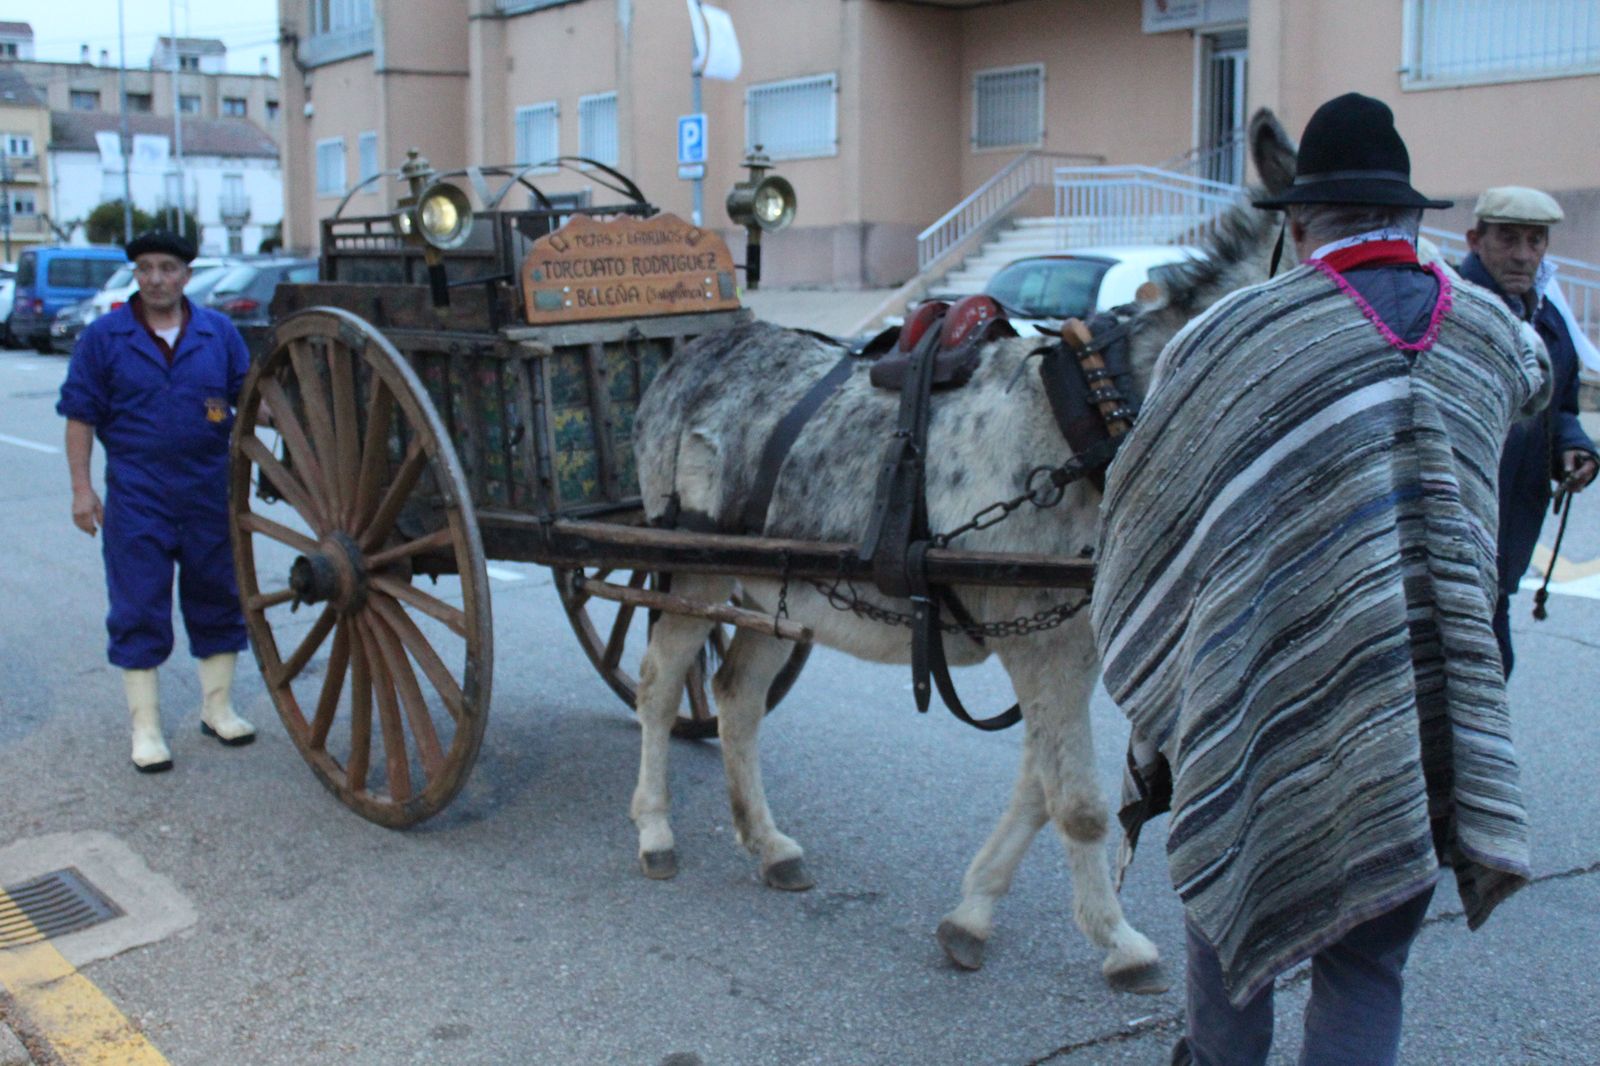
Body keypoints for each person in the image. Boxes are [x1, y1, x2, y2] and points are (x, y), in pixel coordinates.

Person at [1090, 94, 1549, 1066]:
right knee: (1367, 964)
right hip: (1432, 713)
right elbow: (1536, 378)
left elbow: (1146, 523)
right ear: (1412, 215)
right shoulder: (1493, 339)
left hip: (1264, 704)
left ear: (1296, 222)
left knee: (1232, 910)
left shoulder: (1227, 339)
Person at [58, 230, 256, 773]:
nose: (156, 279)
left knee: (217, 594)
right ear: (135, 275)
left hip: (208, 491)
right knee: (138, 604)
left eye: (167, 268)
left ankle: (219, 709)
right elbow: (80, 417)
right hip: (138, 495)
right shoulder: (104, 338)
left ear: (187, 276)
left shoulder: (218, 334)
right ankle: (145, 727)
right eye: (145, 268)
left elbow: (251, 401)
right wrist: (82, 489)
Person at [1456, 187, 1598, 677]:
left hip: (1511, 523)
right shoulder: (1452, 309)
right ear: (1475, 239)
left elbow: (1560, 407)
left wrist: (1575, 449)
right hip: (1458, 523)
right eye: (1508, 239)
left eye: (1534, 241)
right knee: (1480, 664)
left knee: (1491, 662)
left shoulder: (1547, 318)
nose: (1522, 254)